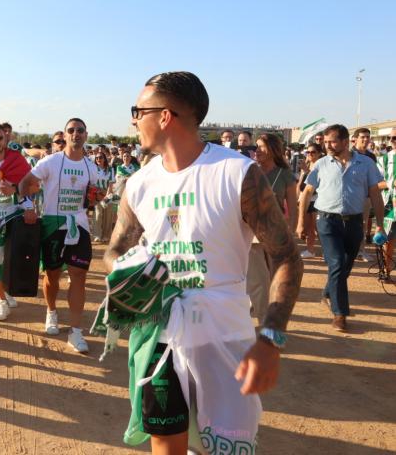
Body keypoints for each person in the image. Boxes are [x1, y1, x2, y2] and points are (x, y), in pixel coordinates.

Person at [106, 71, 303, 453]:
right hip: (159, 335)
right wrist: (131, 272)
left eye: (137, 110)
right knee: (165, 441)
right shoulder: (139, 184)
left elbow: (286, 256)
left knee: (224, 447)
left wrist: (271, 337)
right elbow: (114, 252)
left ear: (165, 116)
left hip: (224, 337)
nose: (132, 120)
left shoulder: (236, 173)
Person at [19, 117, 103, 354]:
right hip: (52, 224)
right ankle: (51, 311)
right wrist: (27, 207)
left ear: (86, 135)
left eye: (80, 130)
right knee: (52, 275)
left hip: (79, 225)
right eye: (71, 130)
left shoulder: (90, 166)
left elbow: (93, 197)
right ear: (64, 136)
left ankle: (75, 332)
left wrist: (97, 198)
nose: (76, 134)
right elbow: (25, 183)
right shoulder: (51, 161)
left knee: (78, 275)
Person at [297, 124, 385, 332]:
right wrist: (301, 222)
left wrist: (380, 225)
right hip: (327, 221)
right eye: (325, 142)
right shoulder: (320, 164)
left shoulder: (366, 164)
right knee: (336, 263)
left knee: (345, 265)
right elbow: (307, 193)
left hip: (354, 222)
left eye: (332, 141)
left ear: (346, 142)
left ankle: (328, 292)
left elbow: (375, 195)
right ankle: (340, 314)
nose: (327, 145)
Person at [0, 123, 33, 320]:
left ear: (6, 140)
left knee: (12, 261)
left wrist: (15, 190)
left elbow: (33, 187)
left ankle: (7, 291)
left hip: (15, 218)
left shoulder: (17, 161)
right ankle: (2, 301)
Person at [245, 133, 297, 325]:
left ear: (274, 150)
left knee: (274, 279)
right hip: (251, 236)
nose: (256, 150)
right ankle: (264, 321)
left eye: (261, 146)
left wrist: (291, 231)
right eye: (256, 146)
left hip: (277, 236)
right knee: (259, 282)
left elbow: (292, 207)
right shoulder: (248, 171)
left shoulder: (285, 175)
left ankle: (263, 314)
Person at [352, 128, 378, 261]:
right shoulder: (349, 154)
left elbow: (373, 177)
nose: (365, 139)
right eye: (362, 137)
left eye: (368, 137)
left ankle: (361, 251)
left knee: (362, 223)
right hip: (350, 195)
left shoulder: (371, 156)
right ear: (355, 139)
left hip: (366, 196)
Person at [297, 143, 323, 258]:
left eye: (313, 152)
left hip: (316, 200)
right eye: (308, 152)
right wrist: (298, 197)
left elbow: (317, 184)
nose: (310, 154)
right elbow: (300, 184)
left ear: (319, 154)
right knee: (308, 228)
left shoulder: (320, 166)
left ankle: (327, 251)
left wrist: (307, 171)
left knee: (319, 228)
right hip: (304, 200)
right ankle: (310, 250)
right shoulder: (306, 165)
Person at [377, 129, 396, 279]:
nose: (393, 140)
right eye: (391, 138)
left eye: (395, 137)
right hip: (390, 206)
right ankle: (386, 270)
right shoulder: (383, 159)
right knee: (388, 239)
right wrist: (392, 183)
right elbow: (376, 184)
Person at [91, 151, 115, 243]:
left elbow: (111, 183)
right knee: (97, 214)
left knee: (108, 215)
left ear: (104, 158)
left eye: (100, 157)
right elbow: (91, 183)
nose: (98, 159)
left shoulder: (110, 169)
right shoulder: (93, 169)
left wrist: (107, 195)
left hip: (108, 193)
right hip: (96, 193)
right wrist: (98, 191)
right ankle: (97, 235)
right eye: (96, 158)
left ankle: (106, 235)